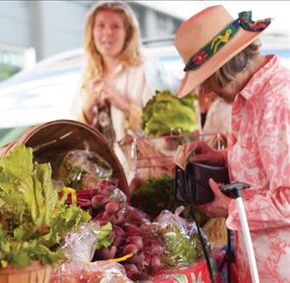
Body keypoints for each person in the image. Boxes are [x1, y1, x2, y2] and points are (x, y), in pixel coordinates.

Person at [174, 5, 290, 282]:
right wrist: (223, 158)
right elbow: (267, 165)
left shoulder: (279, 102)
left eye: (205, 81)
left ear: (222, 70)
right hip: (255, 262)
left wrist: (230, 208)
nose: (206, 90)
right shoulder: (250, 96)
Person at [71, 1, 156, 183]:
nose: (107, 33)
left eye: (115, 26)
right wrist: (88, 106)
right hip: (98, 181)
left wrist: (122, 104)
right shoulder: (87, 77)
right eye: (100, 26)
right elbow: (73, 135)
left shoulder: (143, 71)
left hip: (139, 178)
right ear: (91, 32)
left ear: (128, 33)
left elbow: (160, 129)